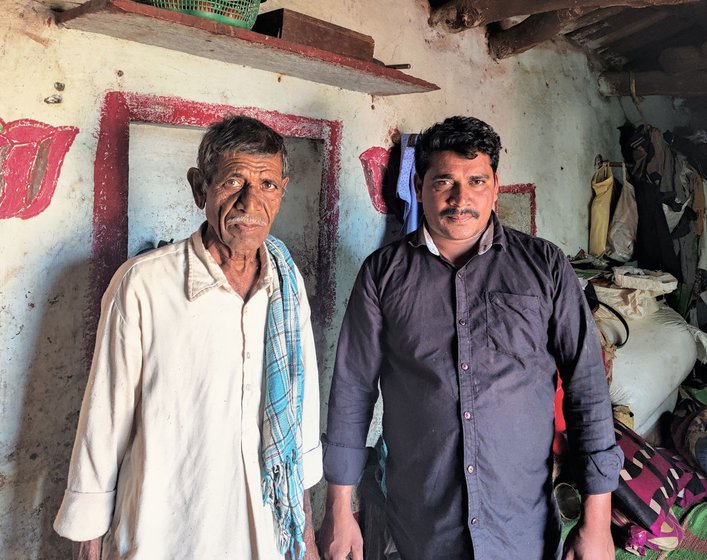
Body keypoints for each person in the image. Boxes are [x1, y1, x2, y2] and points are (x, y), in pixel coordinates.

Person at [319, 116, 623, 560]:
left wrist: (597, 523)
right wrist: (340, 511)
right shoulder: (382, 275)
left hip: (522, 526)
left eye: (476, 180)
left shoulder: (545, 267)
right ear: (419, 184)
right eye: (444, 181)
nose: (461, 199)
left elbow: (587, 389)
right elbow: (352, 391)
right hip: (424, 525)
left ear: (496, 186)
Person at [54, 116, 322, 560]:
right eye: (234, 181)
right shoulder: (144, 284)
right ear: (200, 188)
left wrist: (306, 536)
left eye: (268, 185)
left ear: (283, 191)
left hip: (264, 526)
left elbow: (300, 422)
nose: (250, 202)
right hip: (165, 530)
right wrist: (90, 542)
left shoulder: (286, 288)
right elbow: (104, 420)